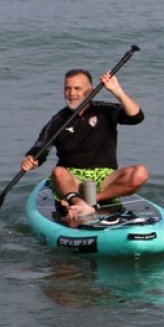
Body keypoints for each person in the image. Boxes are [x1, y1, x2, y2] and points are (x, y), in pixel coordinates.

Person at [21, 68, 149, 222]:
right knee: (58, 172)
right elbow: (40, 148)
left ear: (90, 91)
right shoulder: (58, 120)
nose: (71, 93)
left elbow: (137, 117)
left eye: (77, 88)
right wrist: (31, 160)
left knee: (140, 173)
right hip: (72, 180)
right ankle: (77, 201)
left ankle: (90, 202)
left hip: (105, 177)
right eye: (67, 88)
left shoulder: (105, 110)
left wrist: (117, 91)